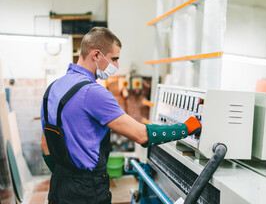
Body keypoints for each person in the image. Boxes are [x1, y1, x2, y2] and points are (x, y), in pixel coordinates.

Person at [40, 27, 201, 204]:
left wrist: (66, 177)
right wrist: (186, 128)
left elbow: (45, 145)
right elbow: (141, 135)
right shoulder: (93, 92)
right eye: (114, 59)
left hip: (58, 187)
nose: (116, 66)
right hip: (87, 191)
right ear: (96, 55)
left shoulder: (53, 88)